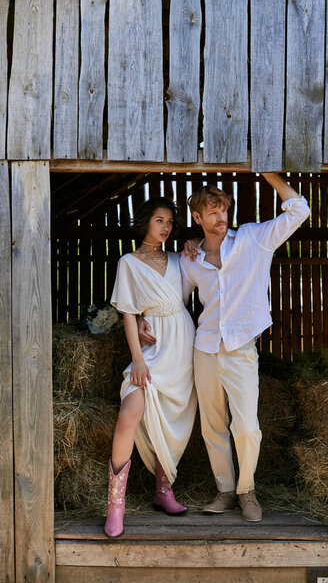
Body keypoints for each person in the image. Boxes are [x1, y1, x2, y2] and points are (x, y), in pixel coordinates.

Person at [139, 173, 310, 522]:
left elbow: (299, 210)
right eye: (212, 213)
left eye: (224, 211)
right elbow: (173, 296)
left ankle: (247, 490)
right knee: (212, 426)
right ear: (197, 218)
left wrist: (269, 174)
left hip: (240, 348)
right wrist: (144, 316)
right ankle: (226, 491)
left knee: (247, 426)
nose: (221, 218)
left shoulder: (253, 239)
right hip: (204, 347)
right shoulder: (189, 259)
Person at [104, 197, 197, 538]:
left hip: (182, 346)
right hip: (153, 348)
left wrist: (192, 244)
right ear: (146, 222)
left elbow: (207, 266)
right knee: (130, 413)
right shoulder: (128, 262)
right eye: (159, 220)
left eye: (170, 222)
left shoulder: (179, 259)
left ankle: (163, 490)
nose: (165, 226)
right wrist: (138, 359)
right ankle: (115, 506)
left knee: (170, 420)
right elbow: (128, 313)